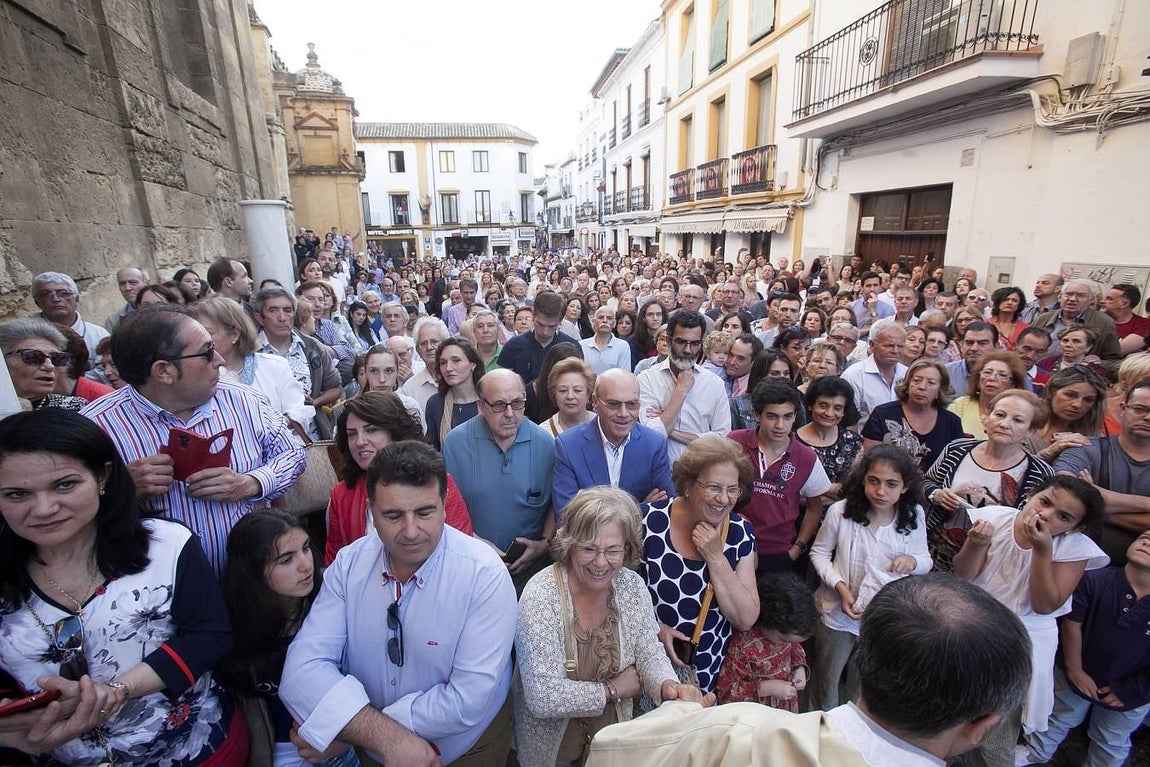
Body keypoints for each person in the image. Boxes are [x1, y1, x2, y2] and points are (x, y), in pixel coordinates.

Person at [586, 574, 1033, 766]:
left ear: (865, 657)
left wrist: (680, 717)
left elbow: (610, 748)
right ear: (982, 725)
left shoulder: (736, 730)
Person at [0, 409, 241, 765]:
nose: (45, 508)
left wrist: (116, 691)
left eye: (64, 485)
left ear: (102, 476)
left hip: (194, 748)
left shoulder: (166, 545)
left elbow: (208, 634)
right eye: (17, 494)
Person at [280, 440, 518, 767]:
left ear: (445, 505)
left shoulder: (485, 575)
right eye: (393, 515)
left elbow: (467, 700)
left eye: (424, 512)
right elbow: (301, 670)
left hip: (467, 750)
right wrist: (382, 737)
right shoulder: (348, 566)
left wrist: (346, 727)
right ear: (371, 511)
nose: (410, 531)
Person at [80, 305, 307, 573]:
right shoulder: (97, 426)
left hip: (252, 578)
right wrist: (121, 488)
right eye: (207, 352)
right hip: (162, 592)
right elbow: (62, 512)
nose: (220, 360)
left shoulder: (244, 399)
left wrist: (251, 483)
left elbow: (294, 454)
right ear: (164, 371)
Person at [513, 487, 712, 766]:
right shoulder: (541, 595)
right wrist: (612, 690)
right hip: (553, 753)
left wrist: (668, 687)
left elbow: (648, 650)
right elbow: (543, 696)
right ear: (569, 545)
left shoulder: (631, 585)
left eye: (613, 550)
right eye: (589, 548)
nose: (601, 562)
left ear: (627, 549)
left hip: (614, 747)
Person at [953, 476, 1108, 762]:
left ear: (1076, 527)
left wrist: (1042, 550)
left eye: (1063, 517)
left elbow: (1045, 603)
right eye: (1044, 502)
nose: (1046, 515)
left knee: (997, 723)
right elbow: (964, 574)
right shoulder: (996, 518)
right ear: (1032, 494)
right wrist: (975, 544)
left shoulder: (1073, 548)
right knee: (955, 704)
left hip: (1024, 636)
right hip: (975, 621)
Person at [218, 510, 360, 767]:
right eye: (286, 560)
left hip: (343, 743)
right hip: (283, 753)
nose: (306, 564)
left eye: (306, 548)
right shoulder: (233, 631)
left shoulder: (335, 603)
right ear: (253, 572)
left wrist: (348, 737)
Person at [808, 445, 932, 711]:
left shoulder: (913, 516)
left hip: (881, 618)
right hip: (839, 615)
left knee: (864, 683)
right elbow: (819, 553)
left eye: (891, 484)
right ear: (863, 480)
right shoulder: (841, 512)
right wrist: (840, 587)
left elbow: (925, 560)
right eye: (873, 481)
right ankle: (821, 729)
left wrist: (912, 561)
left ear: (905, 486)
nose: (881, 492)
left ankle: (854, 736)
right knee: (826, 679)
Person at [1018, 531, 1150, 767]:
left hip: (1133, 693)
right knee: (1055, 718)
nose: (1147, 541)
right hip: (1074, 675)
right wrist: (1075, 669)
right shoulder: (1095, 580)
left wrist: (1133, 690)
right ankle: (1033, 755)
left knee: (1111, 739)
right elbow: (1072, 626)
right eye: (1145, 536)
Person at [642, 435, 759, 693]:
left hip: (707, 672)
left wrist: (716, 556)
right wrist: (654, 628)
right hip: (648, 664)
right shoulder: (648, 521)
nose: (724, 499)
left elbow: (746, 618)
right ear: (688, 484)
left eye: (732, 489)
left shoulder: (740, 531)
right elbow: (617, 596)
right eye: (714, 487)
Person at [444, 369, 556, 592]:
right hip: (470, 568)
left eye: (517, 403)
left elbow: (555, 502)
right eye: (498, 405)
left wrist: (543, 544)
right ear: (480, 405)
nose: (509, 414)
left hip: (530, 574)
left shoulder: (545, 443)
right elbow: (444, 506)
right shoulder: (456, 443)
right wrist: (474, 541)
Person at [326, 392, 471, 564]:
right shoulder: (341, 495)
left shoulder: (436, 483)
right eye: (352, 434)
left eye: (371, 430)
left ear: (394, 433)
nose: (360, 441)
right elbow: (334, 563)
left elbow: (463, 553)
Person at [923, 390, 1055, 572]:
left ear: (1031, 431)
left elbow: (1039, 522)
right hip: (933, 554)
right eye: (999, 414)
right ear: (986, 418)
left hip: (992, 565)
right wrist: (936, 494)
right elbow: (926, 482)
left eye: (1018, 420)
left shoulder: (1040, 473)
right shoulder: (957, 449)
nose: (1004, 424)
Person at [728, 379, 831, 572]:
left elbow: (814, 508)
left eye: (787, 416)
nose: (780, 425)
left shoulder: (806, 457)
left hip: (777, 553)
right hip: (732, 542)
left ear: (795, 416)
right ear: (757, 415)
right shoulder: (734, 442)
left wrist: (797, 547)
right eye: (772, 416)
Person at [1054, 377, 1150, 567]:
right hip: (1077, 569)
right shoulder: (1085, 448)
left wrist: (1092, 505)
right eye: (1140, 409)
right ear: (1122, 409)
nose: (1147, 417)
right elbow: (1064, 489)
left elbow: (1078, 498)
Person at [189, 296, 316, 439]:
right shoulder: (193, 376)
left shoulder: (274, 366)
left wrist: (269, 427)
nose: (199, 341)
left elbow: (299, 413)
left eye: (208, 333)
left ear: (234, 334)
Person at [551, 369, 674, 514]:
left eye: (631, 404)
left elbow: (666, 508)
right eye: (613, 404)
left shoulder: (654, 444)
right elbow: (567, 515)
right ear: (595, 402)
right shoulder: (568, 446)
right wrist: (638, 508)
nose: (623, 413)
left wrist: (593, 512)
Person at [637, 310, 732, 463]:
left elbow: (722, 438)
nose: (688, 350)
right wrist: (680, 391)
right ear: (668, 341)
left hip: (702, 472)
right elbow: (653, 435)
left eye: (694, 344)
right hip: (659, 472)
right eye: (681, 342)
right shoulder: (647, 379)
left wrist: (671, 429)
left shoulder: (714, 383)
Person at [715, 573, 818, 710]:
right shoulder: (742, 646)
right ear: (770, 621)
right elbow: (726, 692)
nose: (786, 643)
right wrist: (766, 688)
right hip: (756, 715)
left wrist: (799, 667)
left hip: (782, 707)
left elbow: (794, 647)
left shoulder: (786, 636)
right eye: (784, 640)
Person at [862, 357, 965, 473]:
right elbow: (869, 460)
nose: (922, 387)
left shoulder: (951, 422)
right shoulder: (883, 414)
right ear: (908, 384)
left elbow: (956, 467)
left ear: (940, 390)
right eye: (917, 380)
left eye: (931, 383)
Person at [1029, 278, 1122, 376]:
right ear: (1060, 296)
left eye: (1080, 295)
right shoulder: (1043, 319)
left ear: (1091, 300)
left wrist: (1100, 363)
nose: (1072, 299)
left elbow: (1114, 361)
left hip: (1078, 379)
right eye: (1068, 294)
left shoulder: (1103, 322)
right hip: (1039, 374)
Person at [1030, 365, 1115, 464]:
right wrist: (1046, 454)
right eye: (1070, 395)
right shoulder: (1024, 425)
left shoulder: (1094, 436)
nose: (1077, 405)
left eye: (1088, 400)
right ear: (1052, 391)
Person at [797, 376, 864, 499]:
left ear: (844, 411)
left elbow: (855, 489)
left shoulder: (853, 442)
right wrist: (834, 491)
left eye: (837, 408)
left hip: (841, 513)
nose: (829, 413)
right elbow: (789, 490)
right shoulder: (792, 442)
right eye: (823, 405)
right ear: (811, 405)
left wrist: (812, 492)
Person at [499, 291, 584, 387]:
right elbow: (502, 384)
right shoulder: (513, 345)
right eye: (540, 324)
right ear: (533, 314)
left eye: (552, 326)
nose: (545, 332)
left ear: (561, 321)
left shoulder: (572, 348)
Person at [0, 319, 87, 411]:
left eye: (56, 358)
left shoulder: (74, 408)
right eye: (33, 356)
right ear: (3, 361)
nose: (50, 366)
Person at [31, 272, 108, 367]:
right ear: (37, 302)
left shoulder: (98, 335)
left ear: (77, 299)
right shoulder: (26, 335)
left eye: (63, 293)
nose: (55, 299)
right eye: (45, 294)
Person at [839, 319, 908, 427]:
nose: (895, 351)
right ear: (871, 345)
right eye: (888, 345)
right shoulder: (854, 376)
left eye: (900, 346)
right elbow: (847, 421)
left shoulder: (907, 374)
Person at [946, 350, 1028, 439]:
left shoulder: (1018, 412)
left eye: (1002, 375)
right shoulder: (959, 405)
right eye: (987, 372)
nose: (992, 378)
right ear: (978, 378)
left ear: (1013, 383)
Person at [423, 338, 482, 451]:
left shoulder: (489, 399)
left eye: (456, 360)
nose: (448, 368)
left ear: (472, 364)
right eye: (443, 363)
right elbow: (432, 449)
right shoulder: (435, 403)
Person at [400, 317, 450, 413]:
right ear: (418, 350)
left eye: (434, 342)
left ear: (445, 344)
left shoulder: (461, 378)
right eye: (423, 343)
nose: (429, 347)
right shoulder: (410, 388)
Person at [541, 357, 597, 437]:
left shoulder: (603, 426)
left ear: (588, 393)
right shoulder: (543, 434)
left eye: (577, 390)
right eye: (563, 390)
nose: (570, 396)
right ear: (554, 393)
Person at [104, 267, 149, 333]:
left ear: (146, 283)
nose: (127, 288)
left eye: (133, 282)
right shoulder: (113, 320)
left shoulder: (164, 309)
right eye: (122, 284)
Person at [988, 286, 1028, 351]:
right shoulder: (986, 324)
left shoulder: (1024, 328)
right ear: (998, 302)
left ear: (1019, 305)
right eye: (1005, 299)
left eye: (1014, 300)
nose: (1009, 303)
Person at [629, 301, 665, 371]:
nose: (655, 318)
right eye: (650, 314)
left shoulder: (671, 339)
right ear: (644, 318)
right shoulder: (633, 341)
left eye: (658, 314)